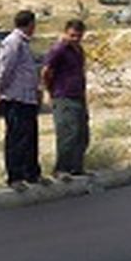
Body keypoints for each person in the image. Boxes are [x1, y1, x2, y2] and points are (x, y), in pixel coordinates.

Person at [0, 10, 44, 191]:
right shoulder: (12, 42)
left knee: (30, 137)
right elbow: (6, 69)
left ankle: (32, 173)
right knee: (16, 138)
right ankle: (15, 176)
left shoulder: (24, 43)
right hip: (15, 98)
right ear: (30, 24)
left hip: (27, 97)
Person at [42, 19, 90, 180]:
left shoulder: (78, 50)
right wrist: (51, 91)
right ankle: (61, 169)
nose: (75, 38)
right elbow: (46, 71)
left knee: (82, 133)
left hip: (78, 95)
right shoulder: (59, 49)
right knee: (68, 133)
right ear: (66, 32)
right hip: (63, 95)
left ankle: (76, 167)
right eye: (72, 35)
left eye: (79, 35)